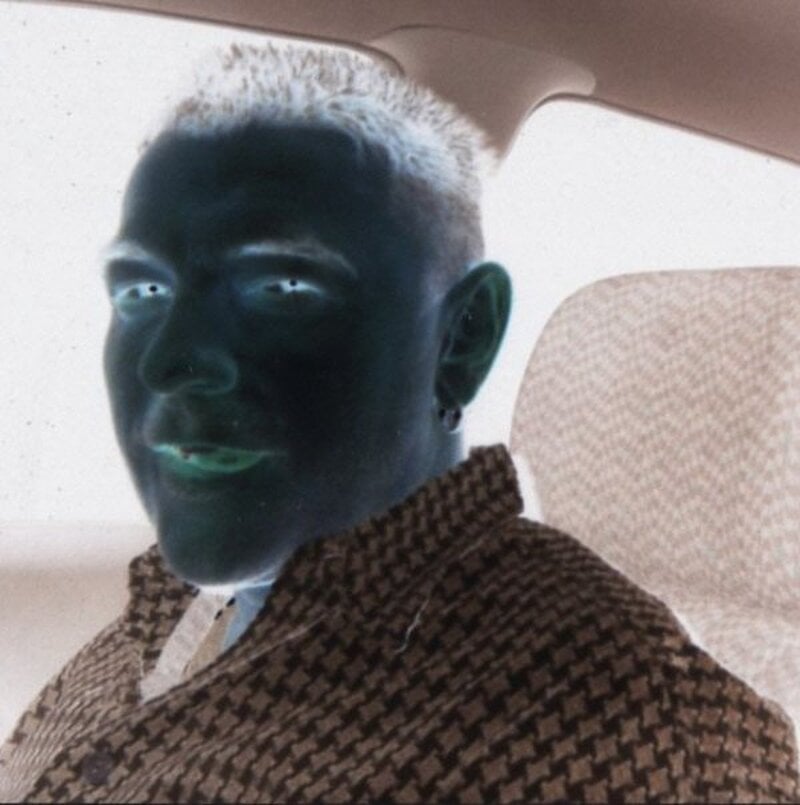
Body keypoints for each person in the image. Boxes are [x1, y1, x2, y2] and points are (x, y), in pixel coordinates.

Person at [1, 42, 797, 803]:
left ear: (460, 341)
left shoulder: (615, 724)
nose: (166, 361)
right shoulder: (190, 608)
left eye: (282, 287)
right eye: (142, 291)